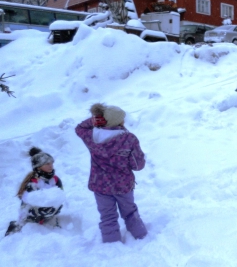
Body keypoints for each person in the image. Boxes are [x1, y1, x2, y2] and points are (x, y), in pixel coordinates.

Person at [75, 103, 148, 243]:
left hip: (100, 185)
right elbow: (138, 165)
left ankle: (111, 243)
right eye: (122, 119)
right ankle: (141, 237)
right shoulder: (129, 139)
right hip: (123, 185)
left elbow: (79, 128)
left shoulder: (91, 136)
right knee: (130, 212)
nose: (124, 121)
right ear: (118, 121)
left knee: (107, 216)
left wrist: (93, 120)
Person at [5, 147, 64, 236]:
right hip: (33, 211)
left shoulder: (55, 179)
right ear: (38, 167)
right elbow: (26, 202)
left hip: (50, 209)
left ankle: (50, 220)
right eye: (47, 164)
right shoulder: (33, 182)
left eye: (51, 163)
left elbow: (61, 193)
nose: (51, 165)